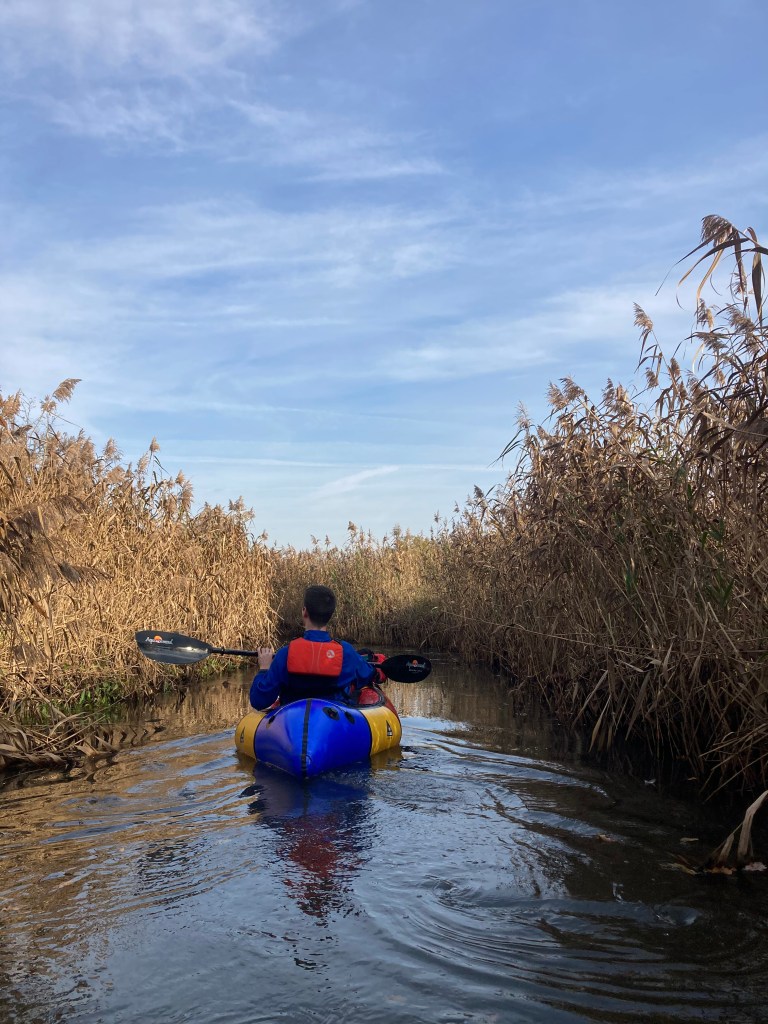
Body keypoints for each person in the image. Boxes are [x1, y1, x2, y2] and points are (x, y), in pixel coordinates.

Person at [250, 584, 381, 710]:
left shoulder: (285, 654)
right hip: (334, 719)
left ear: (304, 612)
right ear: (330, 615)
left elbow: (258, 701)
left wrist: (264, 668)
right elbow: (369, 675)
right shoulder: (346, 653)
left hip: (293, 717)